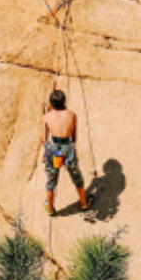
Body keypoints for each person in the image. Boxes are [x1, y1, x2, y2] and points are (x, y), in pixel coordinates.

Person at [41, 87, 90, 215]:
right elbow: (74, 138)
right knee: (76, 176)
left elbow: (43, 139)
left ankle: (50, 209)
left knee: (51, 179)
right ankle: (84, 203)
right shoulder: (72, 115)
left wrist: (44, 113)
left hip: (53, 148)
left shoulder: (46, 116)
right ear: (64, 101)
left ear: (51, 103)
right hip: (68, 147)